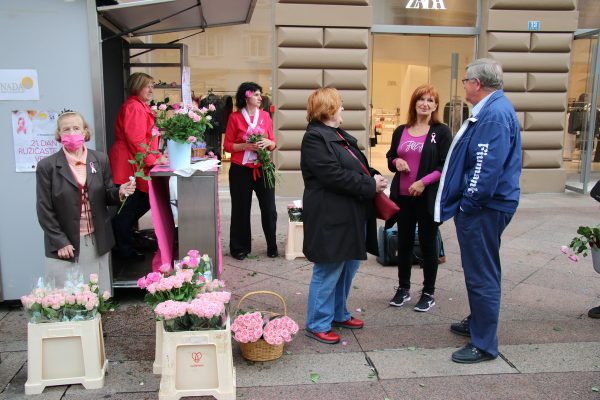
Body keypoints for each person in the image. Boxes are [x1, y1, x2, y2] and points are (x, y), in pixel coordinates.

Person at [435, 58, 522, 363]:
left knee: (481, 273)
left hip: (485, 207)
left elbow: (486, 167)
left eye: (465, 80)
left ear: (477, 83)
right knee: (482, 269)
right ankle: (478, 322)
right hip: (488, 204)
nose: (464, 85)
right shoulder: (494, 109)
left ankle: (484, 344)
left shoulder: (494, 114)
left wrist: (469, 204)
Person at [301, 87, 388, 344]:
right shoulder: (315, 138)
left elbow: (356, 166)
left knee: (348, 266)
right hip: (330, 216)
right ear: (328, 108)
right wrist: (370, 186)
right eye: (339, 105)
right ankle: (317, 323)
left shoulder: (337, 135)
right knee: (329, 269)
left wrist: (373, 175)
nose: (342, 109)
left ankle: (338, 313)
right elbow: (332, 175)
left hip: (350, 213)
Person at [36, 111, 136, 294]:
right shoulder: (47, 166)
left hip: (97, 239)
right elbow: (44, 209)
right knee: (68, 298)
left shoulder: (99, 159)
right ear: (59, 135)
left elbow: (106, 194)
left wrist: (120, 192)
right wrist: (60, 241)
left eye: (76, 128)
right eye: (66, 129)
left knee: (97, 295)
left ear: (85, 131)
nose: (72, 133)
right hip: (66, 244)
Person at [386, 84, 451, 312]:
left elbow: (445, 165)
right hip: (402, 197)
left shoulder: (441, 131)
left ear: (435, 106)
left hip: (427, 197)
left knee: (427, 245)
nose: (425, 103)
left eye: (430, 100)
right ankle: (403, 289)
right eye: (421, 99)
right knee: (403, 244)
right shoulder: (401, 130)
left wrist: (424, 182)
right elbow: (391, 156)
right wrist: (397, 162)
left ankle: (428, 292)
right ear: (414, 103)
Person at [109, 72, 167, 260]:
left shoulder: (139, 106)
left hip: (136, 162)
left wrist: (156, 156)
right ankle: (123, 250)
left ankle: (125, 243)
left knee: (134, 206)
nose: (151, 90)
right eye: (146, 85)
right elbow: (136, 140)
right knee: (129, 208)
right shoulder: (134, 107)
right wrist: (153, 159)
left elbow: (144, 141)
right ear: (136, 86)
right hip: (129, 164)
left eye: (152, 86)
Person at [223, 82, 277, 260]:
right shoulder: (234, 118)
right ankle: (239, 248)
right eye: (256, 94)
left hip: (264, 168)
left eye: (260, 94)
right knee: (240, 209)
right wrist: (245, 145)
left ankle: (272, 245)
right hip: (241, 171)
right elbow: (227, 146)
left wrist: (269, 143)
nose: (260, 97)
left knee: (269, 209)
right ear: (246, 97)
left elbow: (273, 142)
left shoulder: (266, 116)